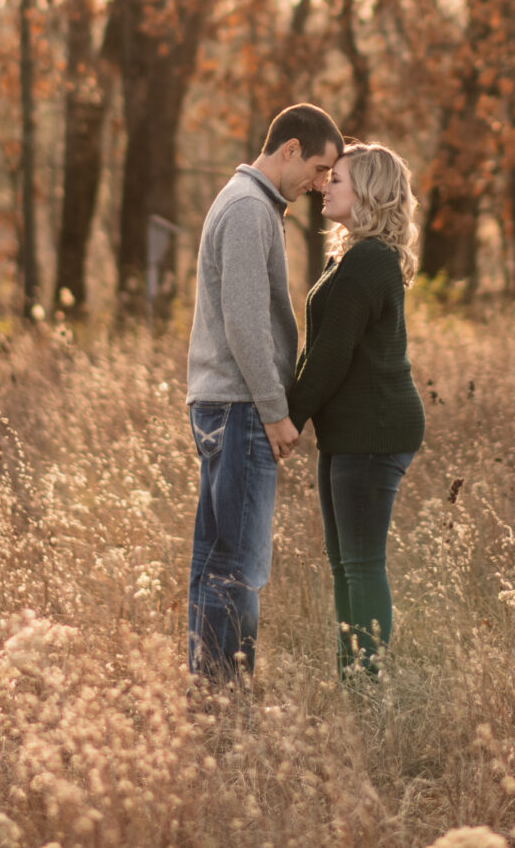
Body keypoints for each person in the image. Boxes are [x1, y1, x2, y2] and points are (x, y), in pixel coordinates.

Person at [185, 102, 342, 680]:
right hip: (241, 405)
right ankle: (226, 701)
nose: (320, 184)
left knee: (212, 561)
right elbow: (246, 324)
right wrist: (276, 411)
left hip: (219, 401)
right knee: (239, 566)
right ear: (291, 149)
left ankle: (206, 695)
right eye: (321, 168)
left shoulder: (243, 200)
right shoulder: (251, 208)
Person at [287, 141, 426, 680]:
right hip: (349, 432)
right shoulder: (350, 254)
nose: (325, 185)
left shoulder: (368, 259)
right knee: (344, 562)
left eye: (337, 179)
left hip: (375, 431)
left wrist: (286, 420)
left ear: (367, 192)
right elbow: (321, 351)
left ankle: (366, 684)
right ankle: (353, 678)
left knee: (362, 562)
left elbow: (330, 358)